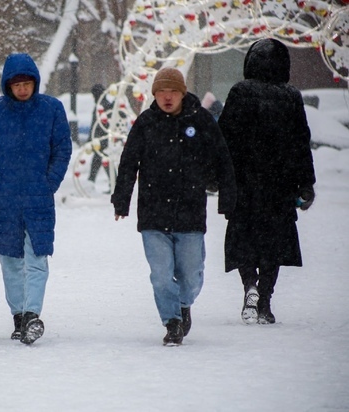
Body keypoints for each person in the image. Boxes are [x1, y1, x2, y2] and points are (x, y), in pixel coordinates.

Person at [112, 68, 237, 345]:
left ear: (182, 93)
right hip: (153, 214)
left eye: (173, 92)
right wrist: (121, 200)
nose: (167, 97)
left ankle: (183, 304)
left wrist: (227, 196)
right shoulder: (146, 123)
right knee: (160, 275)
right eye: (161, 92)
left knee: (190, 275)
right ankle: (172, 322)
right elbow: (129, 162)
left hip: (190, 211)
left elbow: (222, 158)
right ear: (154, 95)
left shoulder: (201, 120)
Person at [0, 53, 72, 345]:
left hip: (39, 197)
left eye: (27, 83)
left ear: (35, 83)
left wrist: (50, 181)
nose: (23, 89)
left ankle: (32, 314)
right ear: (7, 85)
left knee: (37, 258)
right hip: (5, 199)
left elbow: (62, 148)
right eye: (16, 84)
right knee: (10, 261)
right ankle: (18, 315)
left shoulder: (51, 109)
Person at [218, 38, 316, 325]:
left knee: (243, 239)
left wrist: (219, 175)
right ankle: (266, 300)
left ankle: (250, 284)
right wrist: (305, 183)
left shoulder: (239, 92)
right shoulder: (291, 97)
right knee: (273, 244)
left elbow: (225, 138)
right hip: (279, 185)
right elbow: (301, 143)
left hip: (244, 183)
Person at [87, 83, 112, 188]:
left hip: (101, 139)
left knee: (100, 160)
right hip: (104, 138)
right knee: (102, 161)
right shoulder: (106, 104)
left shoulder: (100, 106)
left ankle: (91, 181)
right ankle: (112, 182)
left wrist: (91, 138)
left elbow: (95, 125)